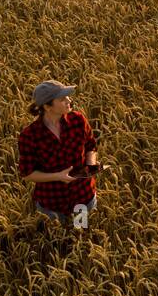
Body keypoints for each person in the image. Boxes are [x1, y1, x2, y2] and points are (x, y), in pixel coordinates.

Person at [17, 79, 101, 227]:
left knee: (80, 234)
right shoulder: (30, 136)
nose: (69, 100)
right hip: (52, 202)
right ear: (47, 106)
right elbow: (27, 173)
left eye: (67, 96)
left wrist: (91, 165)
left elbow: (90, 146)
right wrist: (58, 176)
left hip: (82, 195)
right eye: (62, 99)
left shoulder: (78, 121)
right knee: (57, 242)